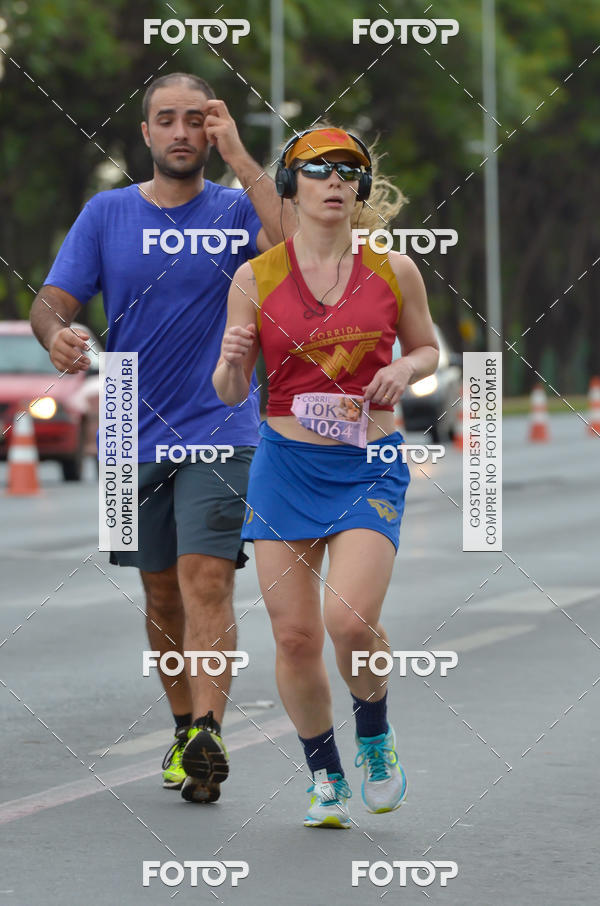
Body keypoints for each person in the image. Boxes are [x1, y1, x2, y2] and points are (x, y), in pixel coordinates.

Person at [30, 72, 295, 804]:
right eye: (166, 120)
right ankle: (184, 729)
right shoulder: (105, 214)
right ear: (145, 134)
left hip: (223, 420)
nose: (181, 133)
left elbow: (298, 260)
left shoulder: (241, 210)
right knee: (158, 594)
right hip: (125, 424)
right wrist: (57, 334)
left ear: (211, 131)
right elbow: (51, 301)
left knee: (205, 577)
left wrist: (244, 159)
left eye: (195, 121)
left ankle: (210, 730)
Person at [213, 127, 439, 827]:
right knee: (295, 637)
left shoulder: (394, 269)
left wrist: (405, 366)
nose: (335, 181)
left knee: (348, 621)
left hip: (367, 462)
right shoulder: (255, 278)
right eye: (318, 170)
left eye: (350, 171)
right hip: (284, 465)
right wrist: (231, 358)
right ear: (292, 186)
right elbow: (228, 392)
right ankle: (325, 778)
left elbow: (428, 347)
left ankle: (374, 736)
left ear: (361, 191)